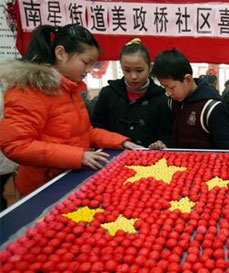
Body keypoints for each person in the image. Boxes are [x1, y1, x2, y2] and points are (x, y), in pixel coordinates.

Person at [0, 24, 140, 196]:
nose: (89, 70)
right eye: (85, 63)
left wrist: (121, 142)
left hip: (70, 179)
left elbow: (86, 133)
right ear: (60, 53)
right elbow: (16, 145)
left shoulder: (69, 89)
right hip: (43, 188)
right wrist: (78, 156)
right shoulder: (29, 90)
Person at [91, 38, 172, 149]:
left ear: (150, 68)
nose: (133, 76)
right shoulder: (108, 94)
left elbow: (166, 133)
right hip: (112, 157)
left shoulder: (161, 98)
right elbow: (95, 130)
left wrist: (161, 143)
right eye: (127, 70)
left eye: (139, 70)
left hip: (148, 160)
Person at [151, 49, 229, 150]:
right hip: (175, 164)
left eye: (172, 88)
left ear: (188, 79)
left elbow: (226, 151)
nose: (168, 92)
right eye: (165, 87)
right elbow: (169, 135)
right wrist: (163, 144)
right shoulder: (172, 102)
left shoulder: (213, 107)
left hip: (206, 164)